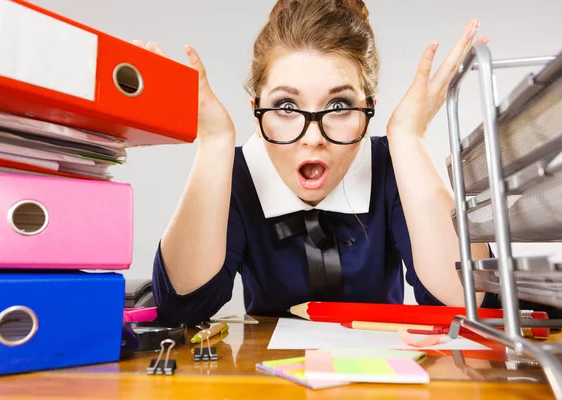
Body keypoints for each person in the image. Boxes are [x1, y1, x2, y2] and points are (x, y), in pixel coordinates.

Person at [134, 0, 496, 327]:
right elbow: (183, 305)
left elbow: (468, 302)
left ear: (368, 110)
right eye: (286, 107)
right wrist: (214, 143)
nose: (312, 137)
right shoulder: (237, 174)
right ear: (256, 111)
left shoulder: (392, 166)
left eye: (339, 106)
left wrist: (408, 137)